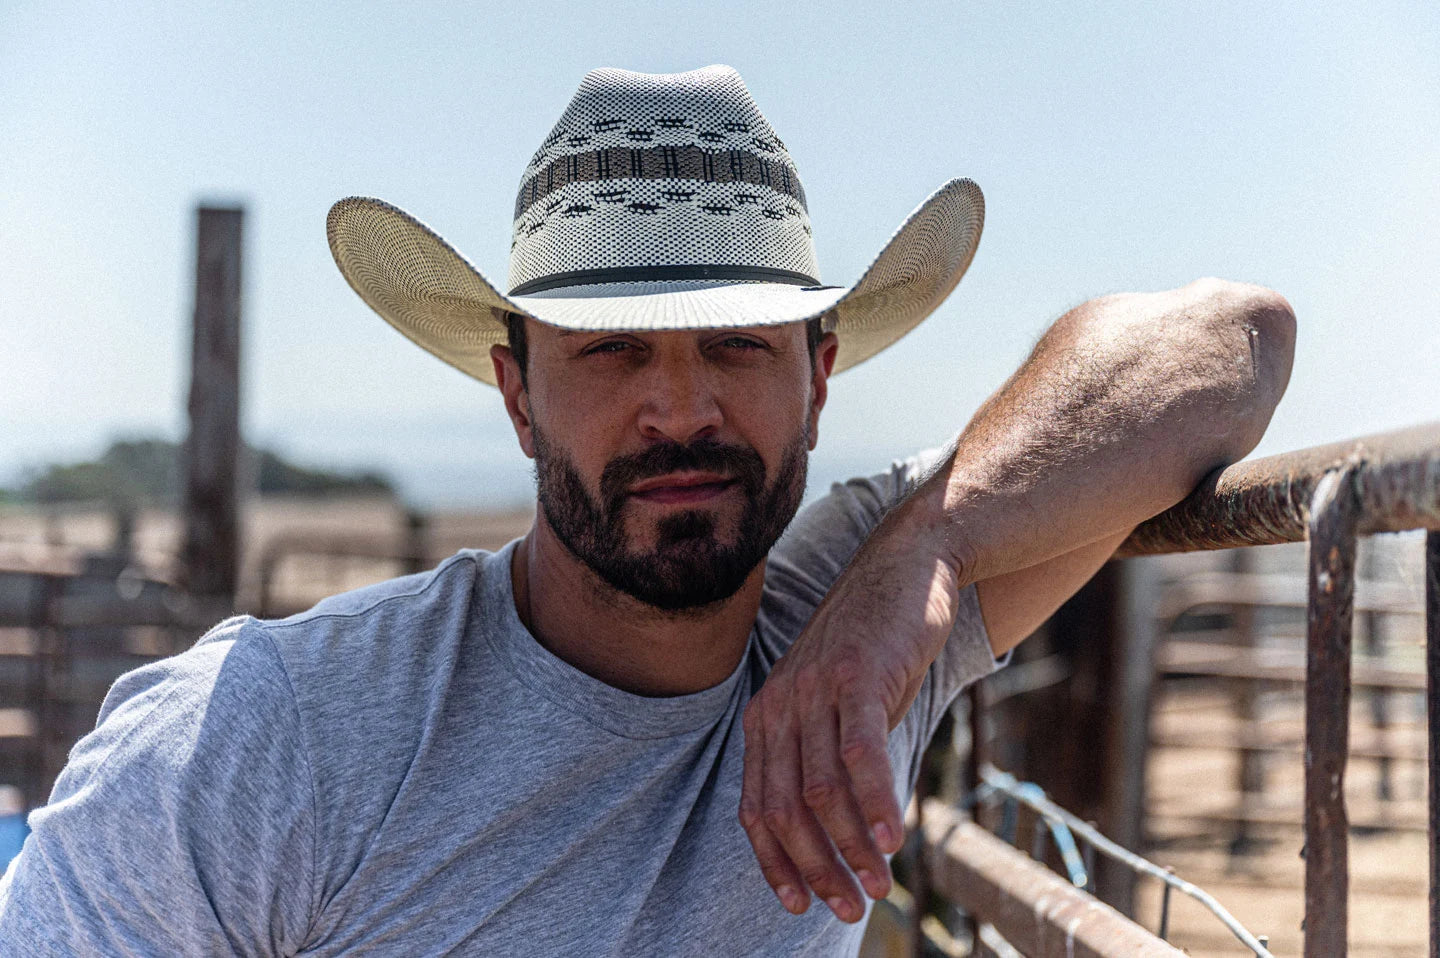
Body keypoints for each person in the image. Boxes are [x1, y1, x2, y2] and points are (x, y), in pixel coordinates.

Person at [0, 65, 1294, 956]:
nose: (680, 408)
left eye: (736, 341)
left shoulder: (858, 624)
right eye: (613, 351)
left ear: (819, 375)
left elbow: (1237, 339)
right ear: (517, 393)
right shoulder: (277, 734)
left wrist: (933, 549)